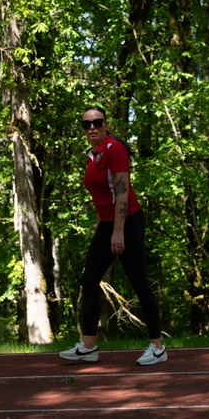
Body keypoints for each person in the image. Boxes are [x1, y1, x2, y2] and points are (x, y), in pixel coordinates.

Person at [59, 106, 167, 366]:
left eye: (97, 122)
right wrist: (103, 228)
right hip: (108, 223)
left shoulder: (114, 149)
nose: (92, 127)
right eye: (87, 124)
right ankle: (88, 346)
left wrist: (118, 232)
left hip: (127, 221)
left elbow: (121, 193)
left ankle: (158, 347)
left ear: (106, 124)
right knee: (89, 279)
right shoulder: (93, 155)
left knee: (139, 282)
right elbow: (101, 196)